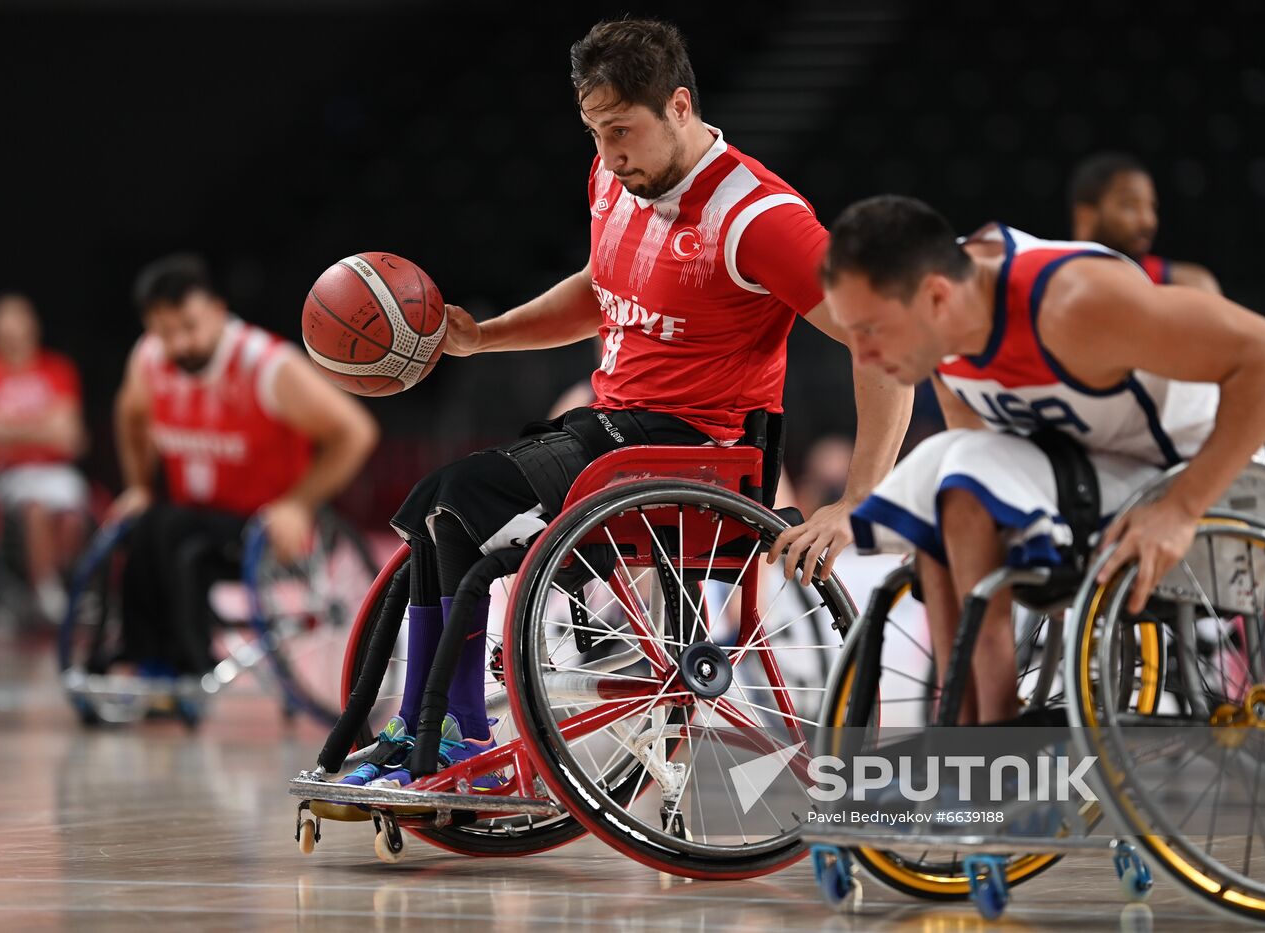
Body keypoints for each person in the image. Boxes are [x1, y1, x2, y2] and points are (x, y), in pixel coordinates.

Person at [334, 19, 913, 792]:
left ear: (679, 106)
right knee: (438, 503)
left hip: (697, 455)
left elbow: (885, 344)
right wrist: (486, 338)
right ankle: (429, 728)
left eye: (620, 131)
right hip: (614, 435)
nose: (607, 153)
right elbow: (601, 289)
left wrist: (856, 500)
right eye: (593, 132)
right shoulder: (614, 177)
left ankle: (456, 736)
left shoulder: (759, 218)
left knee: (467, 496)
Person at [826, 195, 1265, 724]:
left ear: (937, 297)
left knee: (961, 480)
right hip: (1096, 476)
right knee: (947, 486)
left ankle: (991, 745)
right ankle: (968, 742)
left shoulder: (1075, 303)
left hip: (1200, 479)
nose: (862, 355)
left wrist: (1182, 507)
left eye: (870, 331)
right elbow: (980, 452)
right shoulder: (940, 322)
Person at [109, 254, 377, 677]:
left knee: (169, 529)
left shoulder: (266, 365)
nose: (178, 344)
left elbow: (356, 433)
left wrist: (299, 504)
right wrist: (140, 485)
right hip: (194, 523)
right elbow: (129, 415)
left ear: (217, 311)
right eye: (164, 332)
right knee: (142, 525)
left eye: (189, 327)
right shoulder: (149, 358)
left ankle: (179, 666)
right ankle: (142, 657)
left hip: (267, 531)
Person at [0, 294, 88, 622]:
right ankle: (45, 592)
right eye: (5, 332)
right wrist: (43, 426)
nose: (14, 339)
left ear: (33, 330)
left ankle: (67, 583)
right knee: (36, 510)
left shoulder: (57, 369)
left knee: (72, 515)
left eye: (19, 330)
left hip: (56, 471)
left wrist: (9, 428)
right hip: (2, 474)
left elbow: (71, 435)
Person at [1068, 151, 1221, 293]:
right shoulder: (1054, 282)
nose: (1148, 221)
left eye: (1152, 207)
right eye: (1130, 206)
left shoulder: (1186, 284)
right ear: (1085, 216)